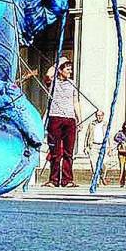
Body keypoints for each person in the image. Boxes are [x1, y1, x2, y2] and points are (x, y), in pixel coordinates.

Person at [44, 57, 80, 187]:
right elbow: (48, 74)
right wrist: (59, 61)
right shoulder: (53, 83)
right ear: (60, 70)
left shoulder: (73, 84)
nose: (70, 71)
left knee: (68, 152)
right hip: (55, 117)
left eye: (71, 69)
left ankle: (67, 179)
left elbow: (76, 102)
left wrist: (78, 118)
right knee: (55, 151)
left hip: (70, 119)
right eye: (67, 69)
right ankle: (53, 180)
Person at [83, 110, 106, 178]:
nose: (99, 117)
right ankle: (96, 179)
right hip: (93, 145)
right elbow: (87, 135)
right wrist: (85, 146)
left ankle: (102, 175)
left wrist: (110, 147)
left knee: (102, 163)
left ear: (103, 116)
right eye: (98, 115)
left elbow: (109, 136)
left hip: (102, 145)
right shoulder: (91, 124)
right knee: (93, 163)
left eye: (101, 115)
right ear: (96, 116)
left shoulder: (106, 124)